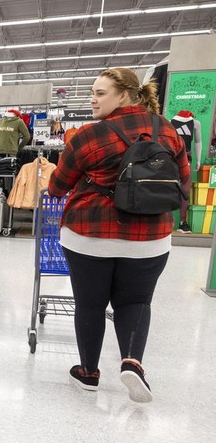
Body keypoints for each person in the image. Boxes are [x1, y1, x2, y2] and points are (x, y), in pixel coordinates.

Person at [48, 68, 190, 403]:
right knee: (136, 301)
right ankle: (132, 362)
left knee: (91, 303)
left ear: (124, 95)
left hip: (89, 235)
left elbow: (57, 187)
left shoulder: (86, 136)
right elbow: (183, 182)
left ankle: (89, 372)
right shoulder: (167, 131)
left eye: (100, 93)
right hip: (151, 238)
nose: (93, 99)